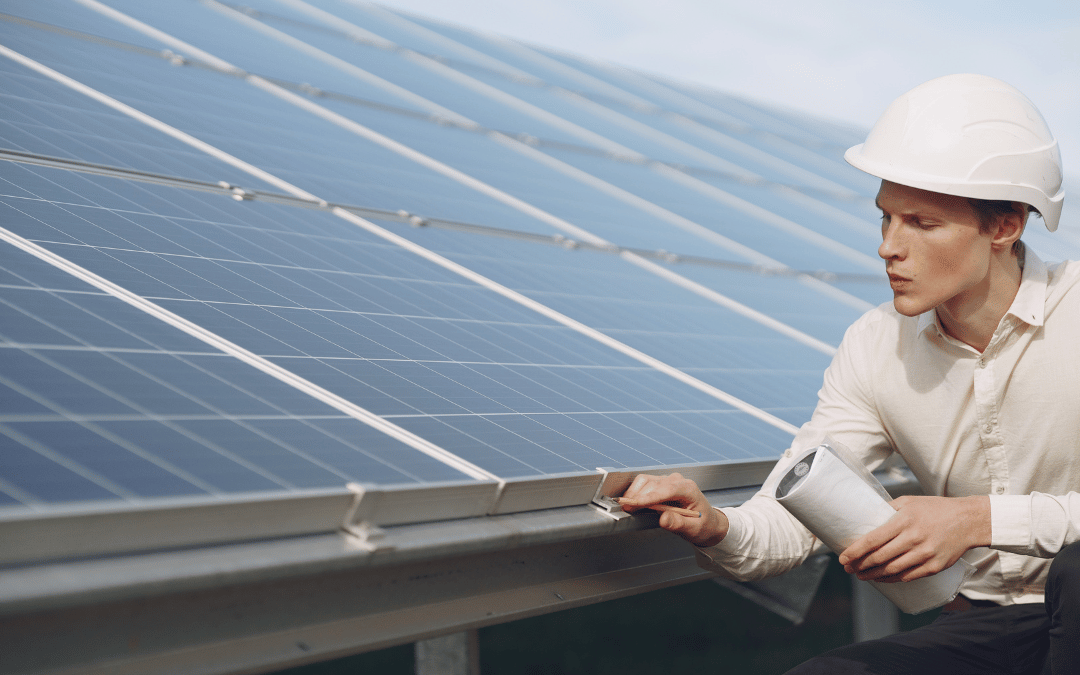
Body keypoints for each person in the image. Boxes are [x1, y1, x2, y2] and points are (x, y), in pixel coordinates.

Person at [619, 74, 1078, 674]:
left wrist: (976, 519)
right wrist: (715, 526)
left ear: (1004, 226)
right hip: (990, 622)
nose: (889, 246)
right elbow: (792, 515)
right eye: (885, 218)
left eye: (922, 223)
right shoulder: (874, 345)